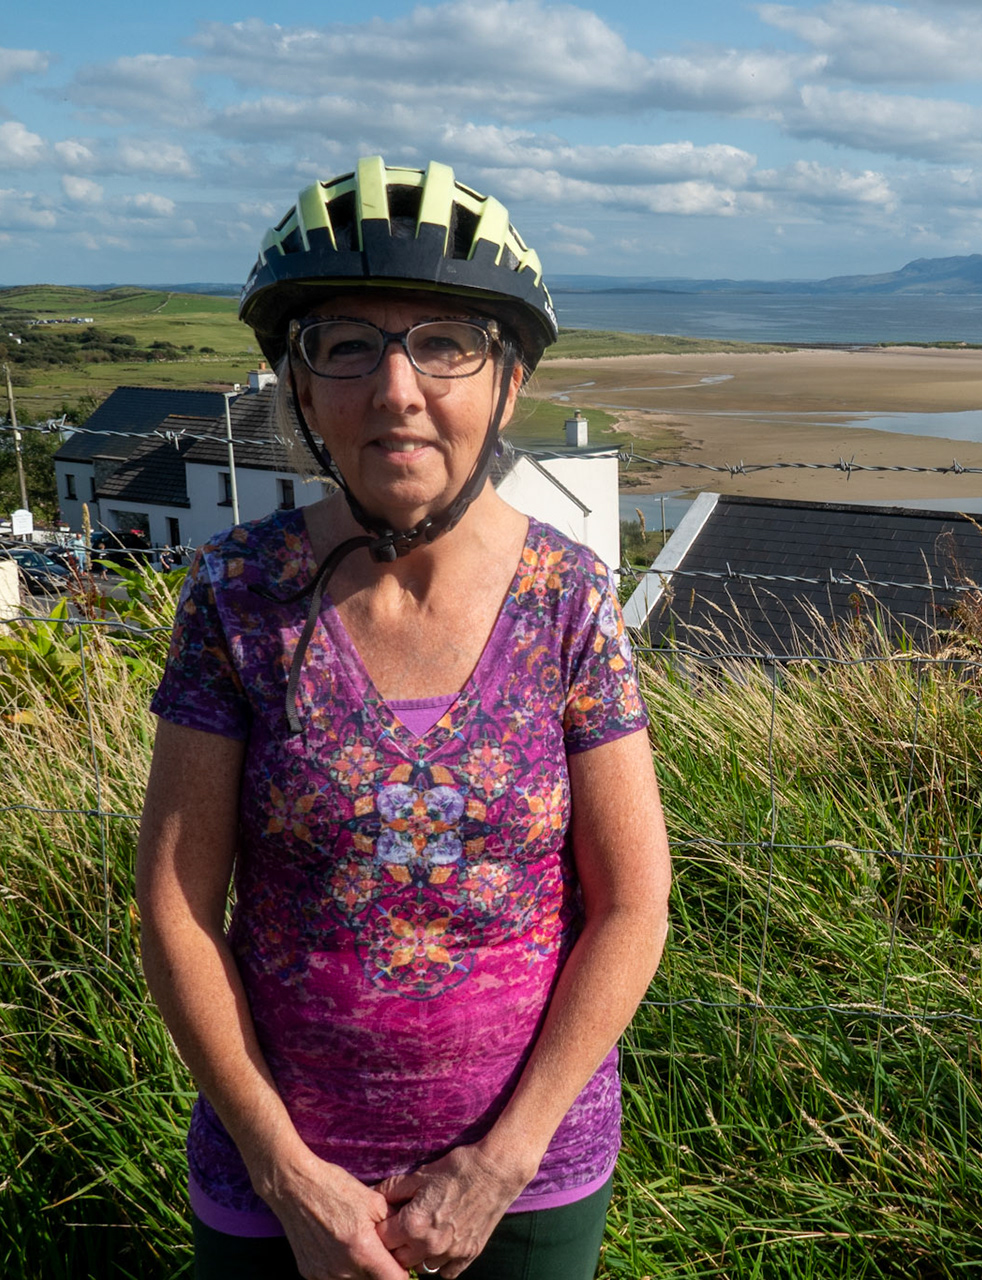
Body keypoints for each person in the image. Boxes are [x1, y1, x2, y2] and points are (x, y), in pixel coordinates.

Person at [136, 157, 670, 1280]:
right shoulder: (237, 595)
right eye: (347, 344)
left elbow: (632, 905)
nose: (396, 387)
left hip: (529, 1180)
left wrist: (501, 1162)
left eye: (444, 342)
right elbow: (178, 910)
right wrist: (285, 1172)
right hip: (275, 1188)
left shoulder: (570, 598)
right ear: (301, 382)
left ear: (508, 383)